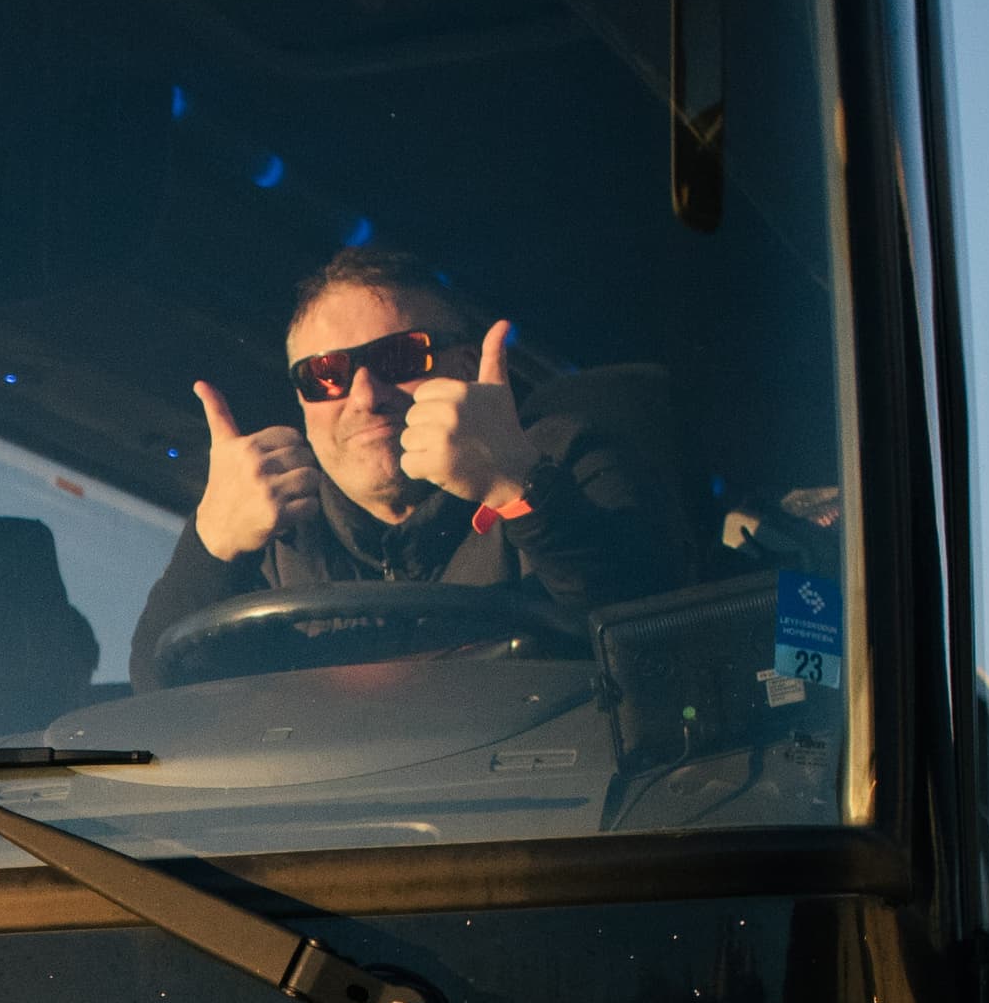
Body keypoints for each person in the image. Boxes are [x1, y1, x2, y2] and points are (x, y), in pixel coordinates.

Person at [127, 254, 691, 684]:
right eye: (325, 375)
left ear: (466, 367)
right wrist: (209, 548)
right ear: (302, 401)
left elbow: (663, 642)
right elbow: (161, 694)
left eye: (399, 358)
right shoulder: (268, 532)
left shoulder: (559, 459)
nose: (365, 396)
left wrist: (518, 487)